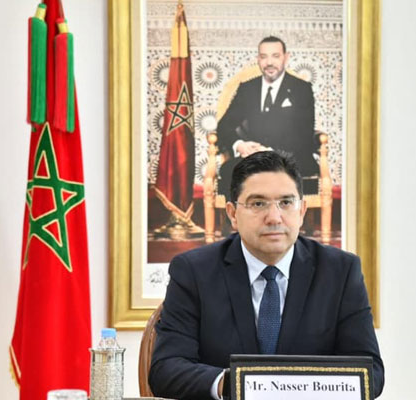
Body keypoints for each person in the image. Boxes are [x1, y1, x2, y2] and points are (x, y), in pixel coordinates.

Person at [149, 151, 384, 399]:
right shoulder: (194, 271)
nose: (274, 217)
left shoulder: (340, 271)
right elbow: (167, 369)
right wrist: (237, 384)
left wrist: (293, 388)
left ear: (302, 211)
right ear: (232, 214)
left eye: (286, 202)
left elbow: (371, 373)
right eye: (258, 204)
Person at [216, 36, 318, 194]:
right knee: (229, 170)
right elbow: (224, 127)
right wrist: (240, 145)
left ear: (286, 57)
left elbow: (304, 134)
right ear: (258, 59)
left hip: (290, 159)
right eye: (264, 57)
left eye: (275, 56)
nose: (269, 62)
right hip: (253, 160)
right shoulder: (247, 89)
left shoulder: (301, 89)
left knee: (271, 175)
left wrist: (269, 152)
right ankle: (240, 212)